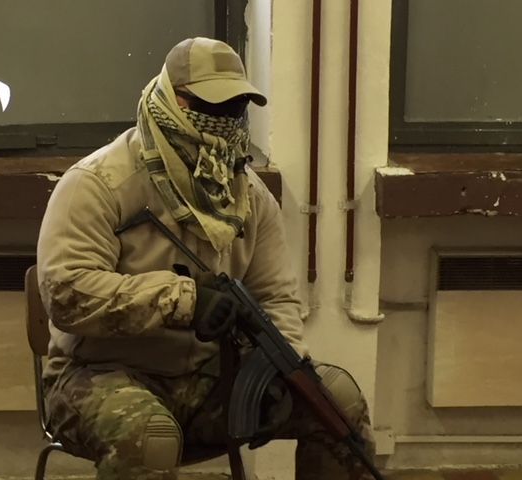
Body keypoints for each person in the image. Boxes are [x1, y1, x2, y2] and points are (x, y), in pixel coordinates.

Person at [36, 37, 376, 480]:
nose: (223, 120)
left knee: (335, 401)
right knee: (150, 435)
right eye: (209, 106)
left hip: (208, 376)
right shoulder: (98, 184)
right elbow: (66, 294)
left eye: (235, 107)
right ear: (171, 99)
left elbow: (276, 298)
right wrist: (183, 301)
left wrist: (281, 364)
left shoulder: (248, 195)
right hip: (97, 374)